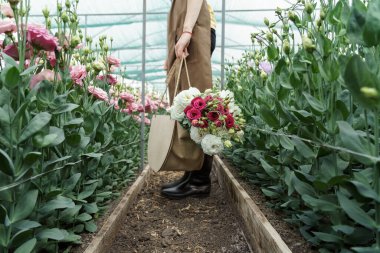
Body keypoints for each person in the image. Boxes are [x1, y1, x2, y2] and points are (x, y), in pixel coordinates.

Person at [160, 0, 217, 199]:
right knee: (187, 105)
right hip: (188, 28)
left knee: (197, 104)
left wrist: (186, 32)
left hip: (194, 29)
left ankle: (200, 181)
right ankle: (190, 175)